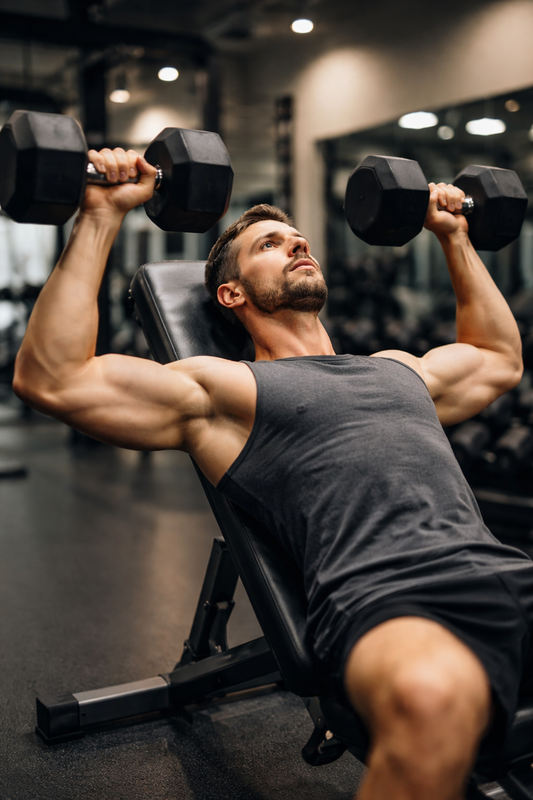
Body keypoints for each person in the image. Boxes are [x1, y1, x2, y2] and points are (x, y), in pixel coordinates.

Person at [13, 147, 533, 800]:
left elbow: (495, 356)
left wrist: (454, 235)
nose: (296, 246)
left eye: (297, 239)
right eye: (269, 244)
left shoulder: (399, 367)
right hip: (390, 598)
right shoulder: (225, 390)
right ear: (230, 293)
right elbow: (52, 379)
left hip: (507, 569)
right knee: (430, 704)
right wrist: (100, 214)